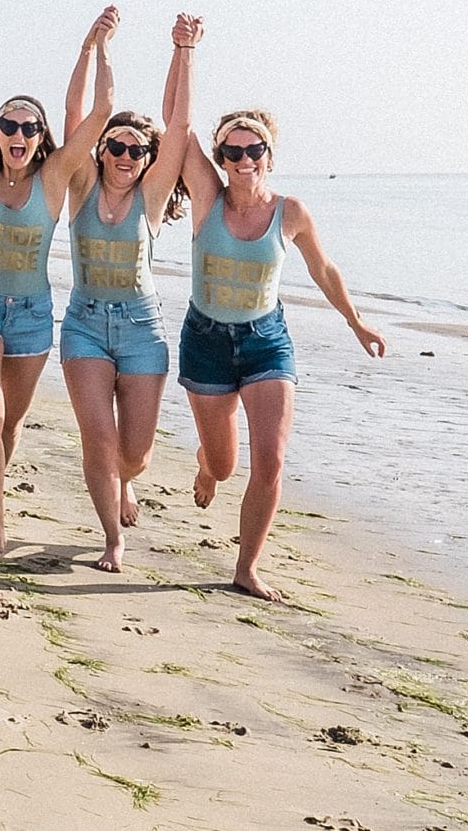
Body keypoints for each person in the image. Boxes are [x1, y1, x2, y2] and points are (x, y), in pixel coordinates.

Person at [178, 107, 386, 600]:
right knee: (225, 465)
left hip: (265, 341)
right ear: (221, 158)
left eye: (254, 150)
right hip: (206, 341)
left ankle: (246, 568)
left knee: (269, 460)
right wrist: (184, 49)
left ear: (269, 155)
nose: (244, 159)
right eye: (234, 151)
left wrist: (355, 322)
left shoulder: (290, 212)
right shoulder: (206, 198)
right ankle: (207, 465)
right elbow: (180, 126)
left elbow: (323, 268)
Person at [0, 7, 112, 562]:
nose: (16, 134)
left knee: (7, 424)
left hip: (33, 313)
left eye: (28, 128)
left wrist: (95, 46)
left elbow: (102, 110)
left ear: (40, 138)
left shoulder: (56, 176)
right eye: (7, 126)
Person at [54, 10, 202, 571]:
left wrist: (183, 51)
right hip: (85, 325)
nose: (123, 156)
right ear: (101, 150)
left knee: (133, 455)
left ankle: (125, 482)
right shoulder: (82, 186)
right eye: (115, 145)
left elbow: (181, 129)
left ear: (147, 160)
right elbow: (76, 114)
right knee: (98, 442)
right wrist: (95, 45)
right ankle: (111, 538)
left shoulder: (152, 198)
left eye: (136, 150)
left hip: (143, 330)